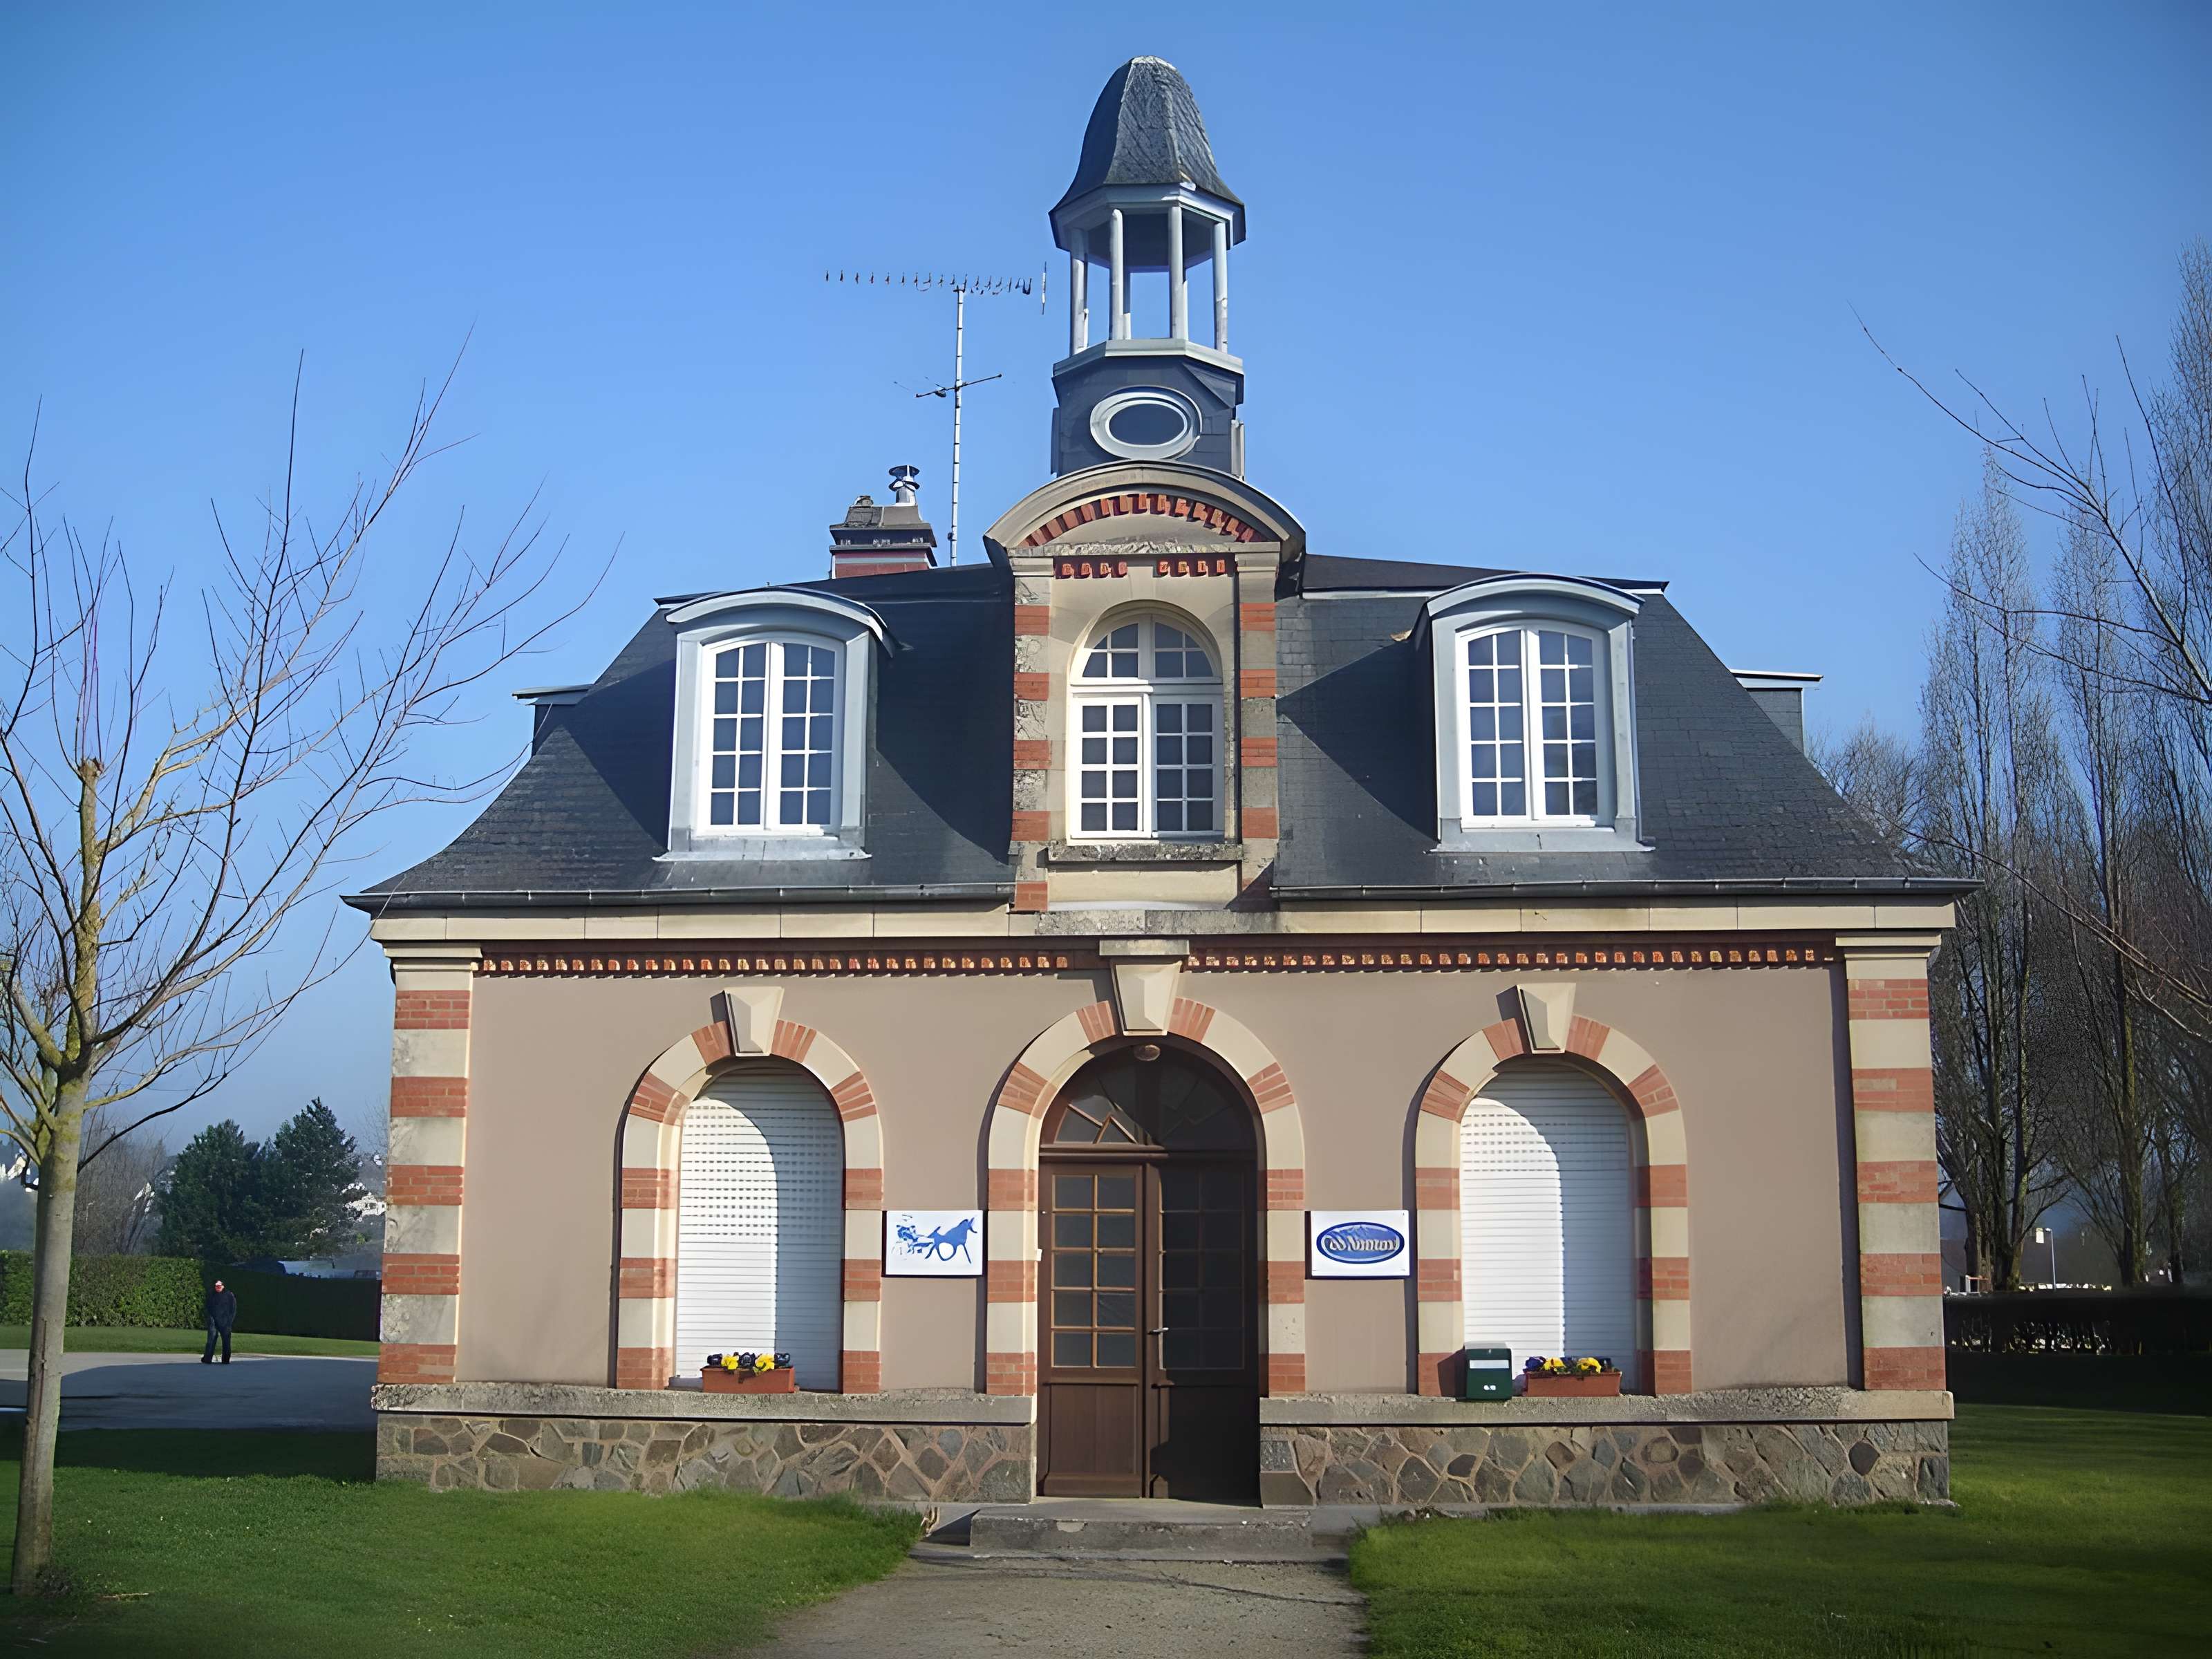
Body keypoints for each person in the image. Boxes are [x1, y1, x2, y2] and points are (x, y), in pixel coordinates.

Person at [202, 1278, 236, 1365]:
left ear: (223, 1286)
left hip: (225, 1322)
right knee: (211, 1340)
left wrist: (229, 1321)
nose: (217, 1287)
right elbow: (208, 1307)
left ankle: (226, 1359)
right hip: (213, 1320)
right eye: (216, 1286)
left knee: (226, 1341)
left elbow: (233, 1309)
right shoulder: (211, 1294)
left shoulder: (229, 1295)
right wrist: (210, 1318)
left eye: (219, 1286)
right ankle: (207, 1358)